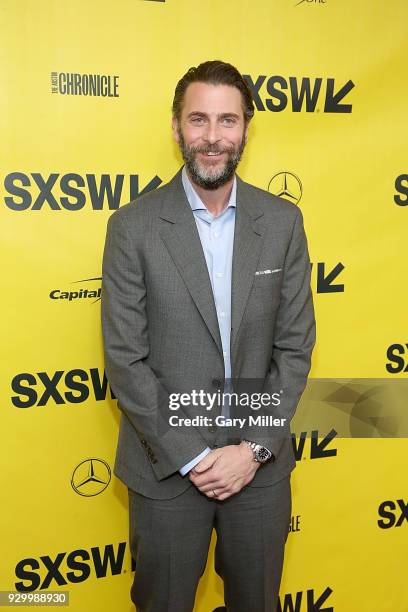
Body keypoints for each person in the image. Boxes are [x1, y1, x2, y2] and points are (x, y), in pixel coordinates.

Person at [101, 60, 315, 612]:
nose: (213, 137)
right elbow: (126, 360)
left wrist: (254, 450)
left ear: (246, 128)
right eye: (199, 120)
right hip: (167, 472)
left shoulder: (283, 223)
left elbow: (294, 348)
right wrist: (195, 457)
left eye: (228, 120)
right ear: (176, 128)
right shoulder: (132, 227)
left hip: (259, 472)